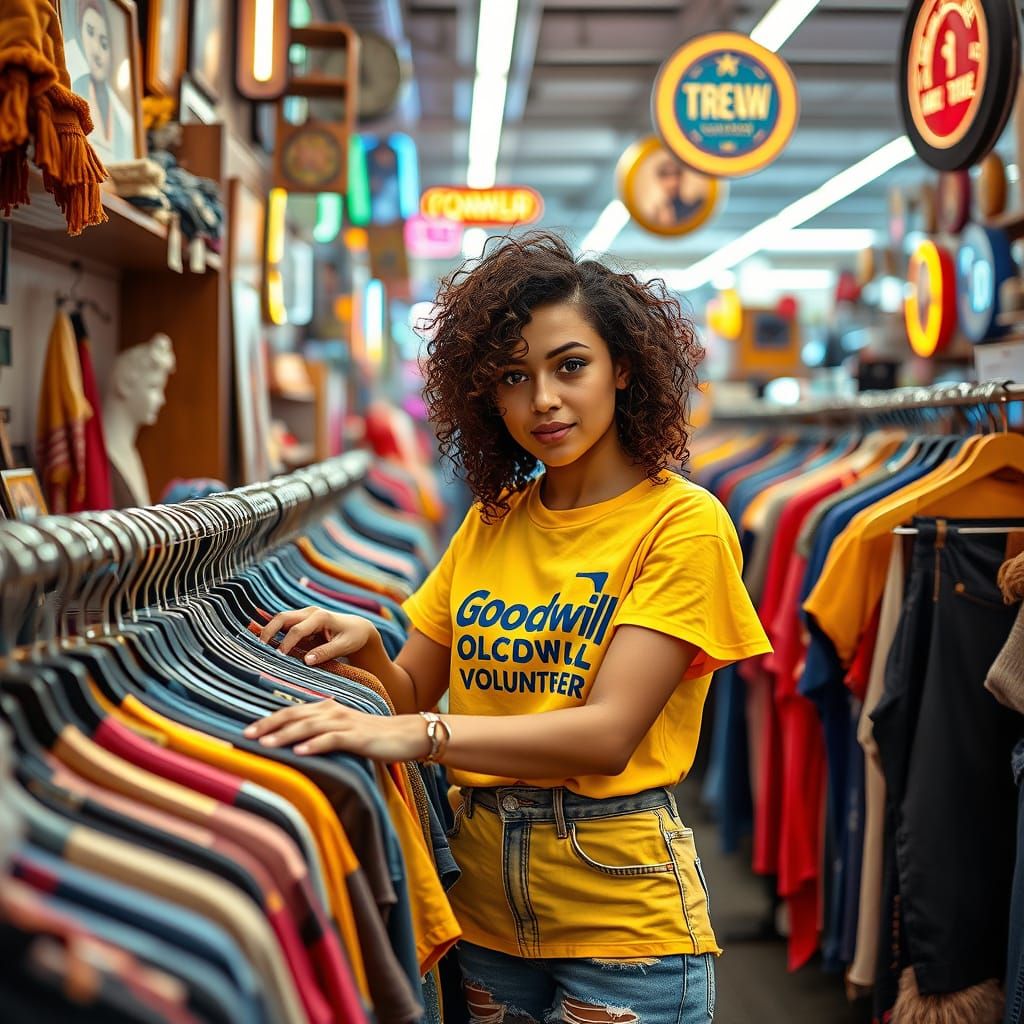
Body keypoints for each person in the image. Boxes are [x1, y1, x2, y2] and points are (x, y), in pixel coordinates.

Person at [248, 232, 771, 1024]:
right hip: (483, 902)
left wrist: (424, 734)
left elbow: (606, 735)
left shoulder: (683, 525)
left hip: (619, 909)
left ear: (623, 367)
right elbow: (408, 696)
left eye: (570, 366)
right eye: (513, 377)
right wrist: (371, 650)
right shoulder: (492, 522)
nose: (544, 401)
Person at [71, 0, 134, 165]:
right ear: (80, 34)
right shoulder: (72, 90)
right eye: (90, 33)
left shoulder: (123, 118)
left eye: (104, 44)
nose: (97, 51)